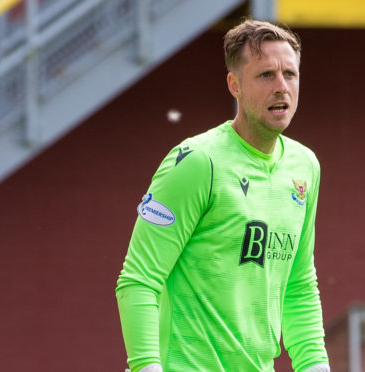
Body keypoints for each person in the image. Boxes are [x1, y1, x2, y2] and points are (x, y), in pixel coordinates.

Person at [116, 18, 330, 372]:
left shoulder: (304, 166)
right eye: (266, 75)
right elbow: (139, 279)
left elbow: (299, 285)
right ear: (235, 85)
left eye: (290, 74)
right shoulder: (198, 162)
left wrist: (315, 366)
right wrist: (145, 367)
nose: (281, 87)